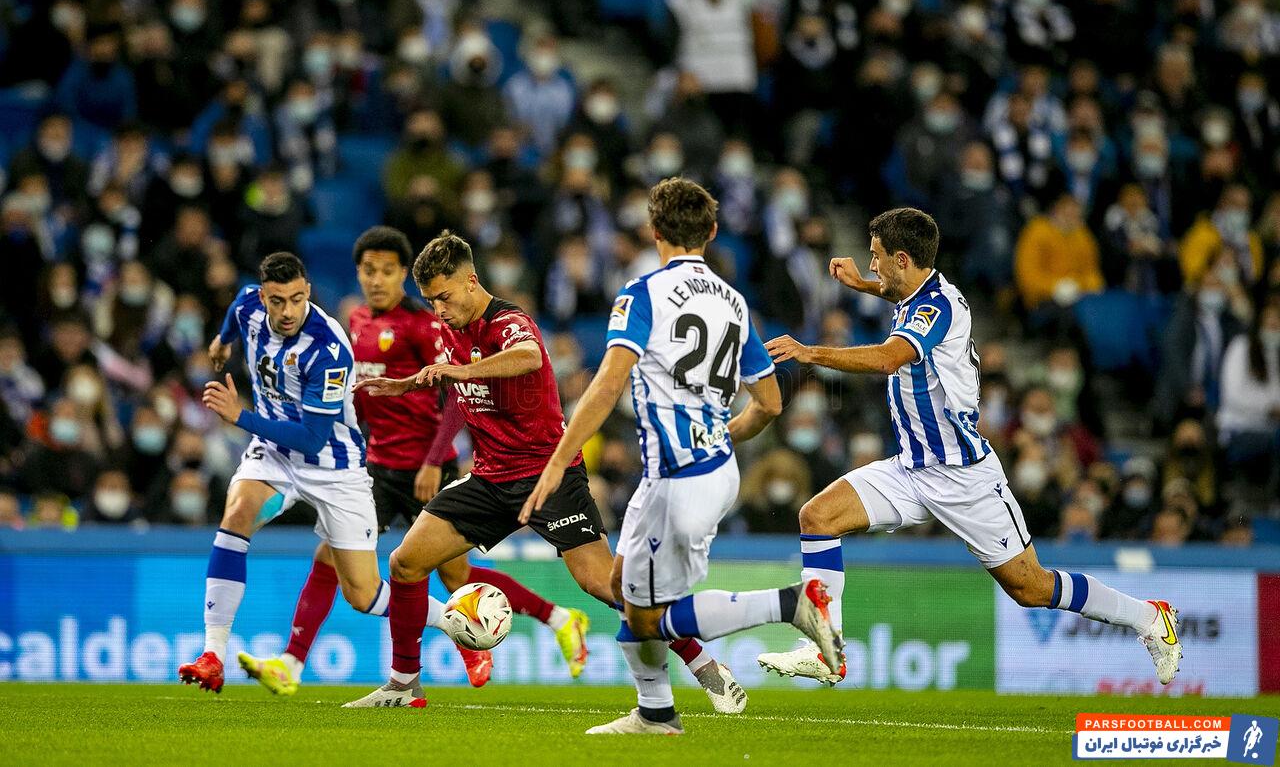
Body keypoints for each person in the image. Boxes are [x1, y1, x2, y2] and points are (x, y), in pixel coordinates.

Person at [758, 208, 1182, 687]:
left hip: (963, 476)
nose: (871, 264)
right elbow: (898, 297)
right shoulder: (918, 293)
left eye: (876, 257)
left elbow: (888, 359)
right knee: (817, 516)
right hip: (912, 469)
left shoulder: (935, 308)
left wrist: (810, 352)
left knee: (1031, 587)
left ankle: (1150, 618)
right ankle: (827, 649)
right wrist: (862, 286)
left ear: (902, 259)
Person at [343, 230, 743, 712]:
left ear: (471, 281)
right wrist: (407, 384)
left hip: (549, 475)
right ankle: (405, 684)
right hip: (490, 477)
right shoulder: (451, 327)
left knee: (606, 585)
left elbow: (528, 356)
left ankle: (705, 666)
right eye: (430, 301)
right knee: (405, 563)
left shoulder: (509, 321)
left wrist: (460, 372)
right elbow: (451, 383)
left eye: (444, 297)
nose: (438, 310)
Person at [522, 178, 840, 735]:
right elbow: (769, 402)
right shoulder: (735, 303)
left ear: (653, 230)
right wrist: (721, 435)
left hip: (679, 476)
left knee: (648, 617)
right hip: (704, 469)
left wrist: (556, 462)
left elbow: (607, 384)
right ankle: (655, 712)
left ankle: (791, 605)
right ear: (712, 231)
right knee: (621, 587)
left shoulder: (643, 293)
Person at [236, 227, 590, 695]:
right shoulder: (355, 323)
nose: (376, 280)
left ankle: (549, 619)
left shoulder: (428, 325)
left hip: (427, 466)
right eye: (368, 270)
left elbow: (458, 394)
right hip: (379, 467)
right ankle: (291, 663)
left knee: (454, 575)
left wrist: (435, 459)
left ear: (403, 275)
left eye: (387, 271)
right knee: (333, 554)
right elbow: (362, 397)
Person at [177, 253, 394, 693]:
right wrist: (222, 342)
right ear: (264, 297)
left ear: (308, 292)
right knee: (238, 512)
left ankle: (451, 619)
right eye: (278, 301)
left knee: (364, 594)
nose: (288, 310)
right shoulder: (249, 305)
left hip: (333, 467)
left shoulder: (329, 349)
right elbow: (236, 309)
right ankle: (212, 655)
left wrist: (240, 417)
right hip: (274, 454)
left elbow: (312, 438)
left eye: (297, 299)